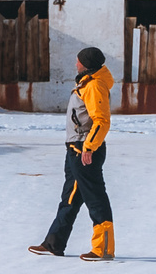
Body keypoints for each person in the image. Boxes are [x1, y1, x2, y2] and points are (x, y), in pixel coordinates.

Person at [31, 45, 115, 259]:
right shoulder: (86, 83)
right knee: (70, 197)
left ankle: (103, 248)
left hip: (84, 149)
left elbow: (102, 121)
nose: (75, 64)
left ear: (86, 64)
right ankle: (54, 243)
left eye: (78, 61)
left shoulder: (95, 86)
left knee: (95, 198)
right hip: (75, 148)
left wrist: (89, 147)